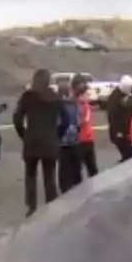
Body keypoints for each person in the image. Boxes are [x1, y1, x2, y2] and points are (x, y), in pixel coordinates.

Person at [12, 68, 63, 216]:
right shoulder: (55, 97)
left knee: (30, 175)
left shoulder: (27, 96)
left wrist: (23, 134)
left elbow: (17, 118)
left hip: (32, 140)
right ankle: (51, 204)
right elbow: (65, 119)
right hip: (50, 140)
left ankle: (32, 206)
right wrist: (57, 134)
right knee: (49, 175)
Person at [56, 75, 83, 194]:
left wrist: (77, 129)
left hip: (72, 140)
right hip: (64, 141)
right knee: (65, 167)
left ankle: (74, 186)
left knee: (74, 167)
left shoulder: (74, 104)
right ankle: (66, 189)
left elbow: (77, 120)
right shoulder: (59, 106)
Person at [106, 74, 132, 161]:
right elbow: (112, 116)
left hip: (128, 131)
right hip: (120, 133)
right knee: (128, 154)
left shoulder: (126, 96)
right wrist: (118, 131)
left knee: (130, 154)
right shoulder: (115, 98)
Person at [74, 73, 99, 178]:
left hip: (89, 139)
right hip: (81, 140)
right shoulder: (78, 107)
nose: (88, 96)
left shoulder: (86, 106)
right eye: (86, 94)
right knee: (78, 168)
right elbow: (78, 123)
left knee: (92, 166)